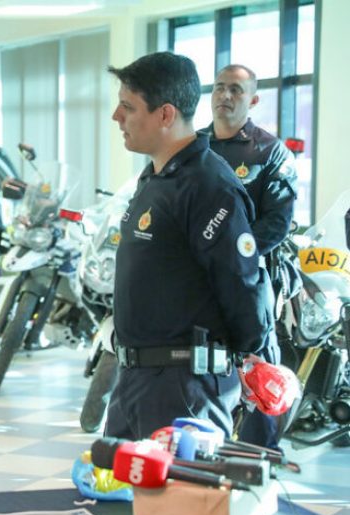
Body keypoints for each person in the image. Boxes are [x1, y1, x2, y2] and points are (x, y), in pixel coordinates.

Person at [104, 52, 271, 440]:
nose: (117, 116)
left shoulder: (208, 184)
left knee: (180, 500)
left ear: (165, 115)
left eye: (128, 107)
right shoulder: (155, 178)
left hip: (182, 388)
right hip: (135, 381)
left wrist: (245, 354)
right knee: (119, 499)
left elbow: (240, 280)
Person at [201, 64, 297, 449]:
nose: (226, 95)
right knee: (199, 367)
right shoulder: (193, 147)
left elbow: (278, 222)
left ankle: (262, 457)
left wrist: (231, 258)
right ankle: (204, 451)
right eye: (220, 88)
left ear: (253, 99)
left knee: (256, 368)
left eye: (236, 90)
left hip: (249, 281)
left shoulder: (270, 151)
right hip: (197, 280)